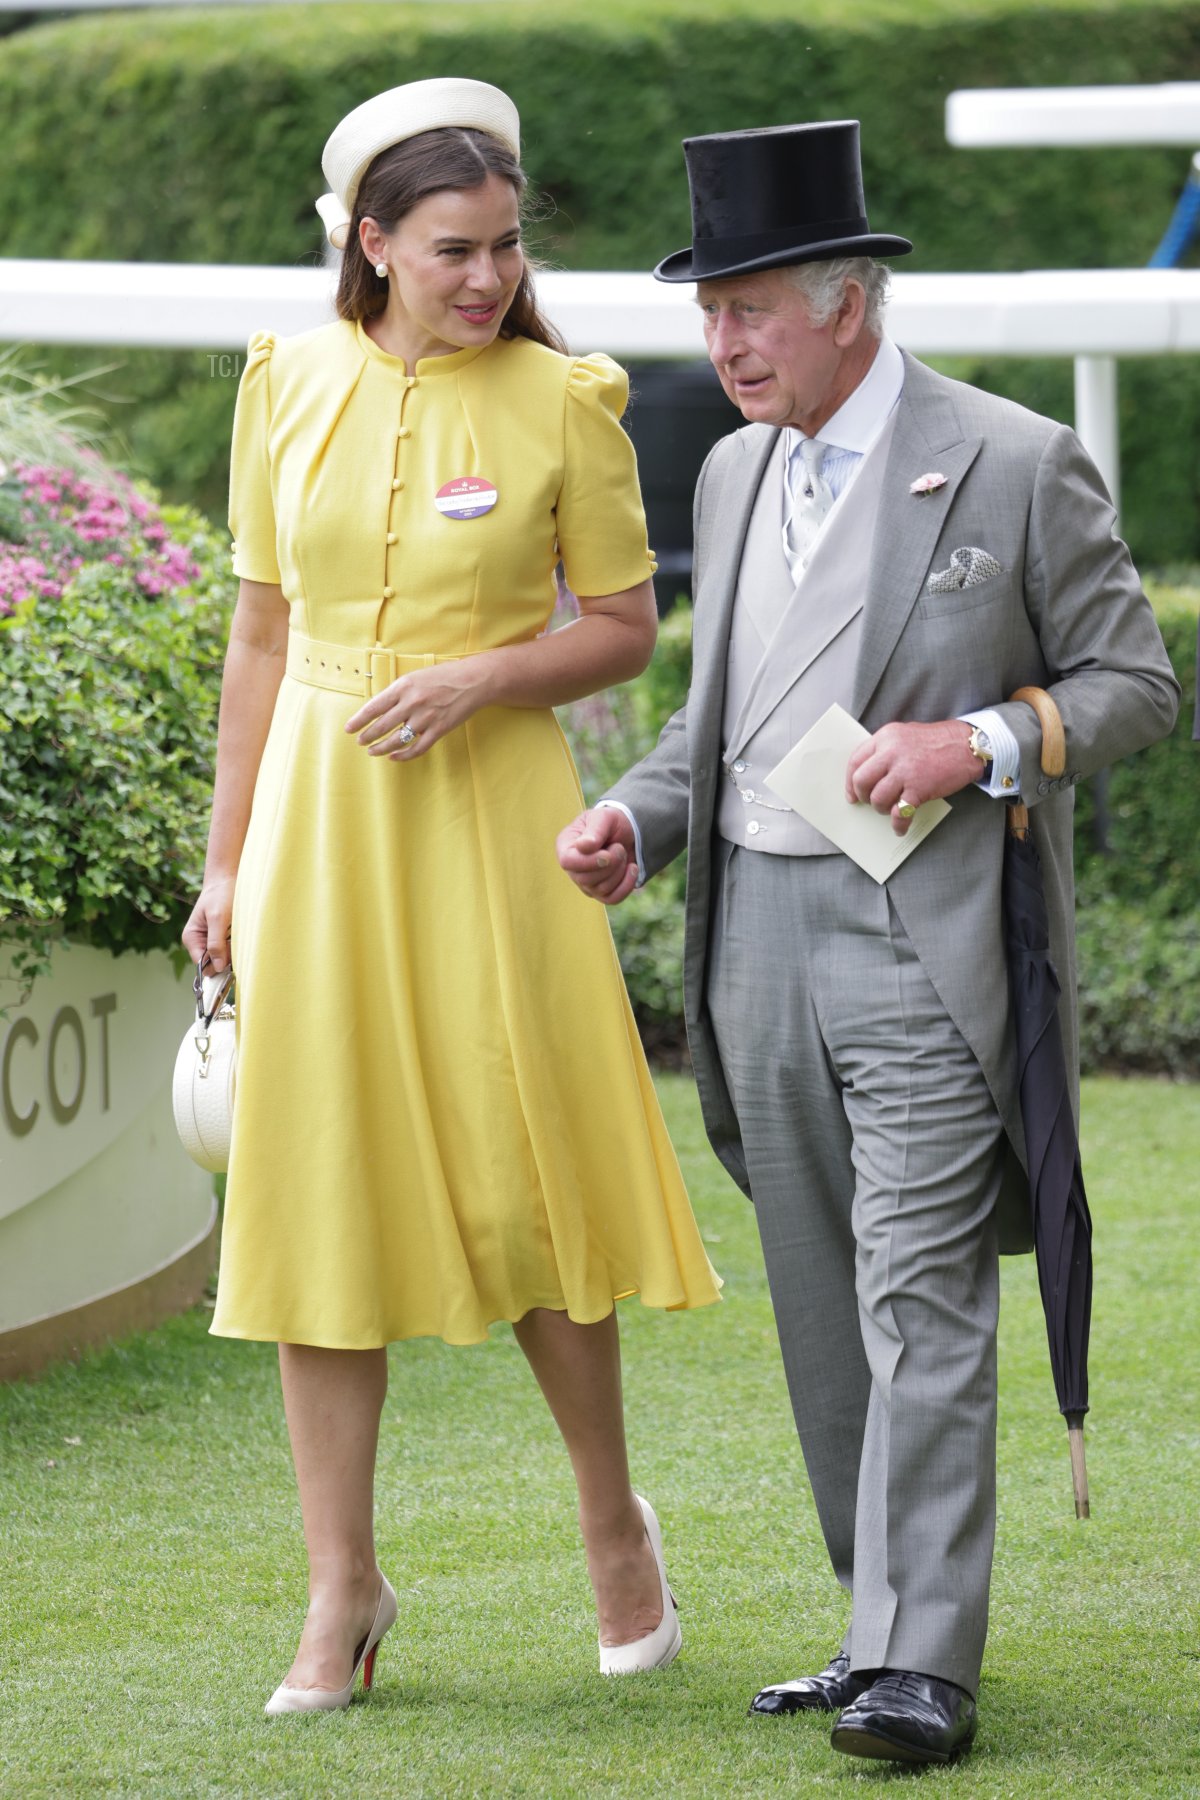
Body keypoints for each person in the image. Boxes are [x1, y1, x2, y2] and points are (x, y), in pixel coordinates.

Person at [558, 120, 1179, 1766]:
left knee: (922, 1286)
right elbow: (719, 719)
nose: (724, 345)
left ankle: (925, 1660)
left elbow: (1136, 688)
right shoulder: (729, 465)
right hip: (751, 930)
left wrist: (976, 740)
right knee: (823, 1293)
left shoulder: (1016, 457)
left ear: (851, 301)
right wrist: (636, 818)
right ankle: (870, 1625)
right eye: (709, 314)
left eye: (751, 307)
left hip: (927, 937)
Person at [182, 77, 720, 1717]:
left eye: (502, 247)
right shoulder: (285, 383)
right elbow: (264, 638)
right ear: (372, 243)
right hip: (318, 834)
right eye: (451, 250)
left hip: (501, 821)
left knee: (530, 1174)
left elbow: (625, 626)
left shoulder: (569, 400)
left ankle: (612, 1527)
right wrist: (222, 862)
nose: (486, 277)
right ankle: (341, 1588)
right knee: (313, 1193)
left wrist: (484, 679)